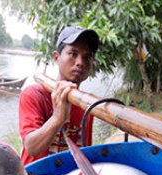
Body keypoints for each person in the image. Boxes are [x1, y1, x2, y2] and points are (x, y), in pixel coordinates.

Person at [18, 26, 100, 165]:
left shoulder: (87, 104)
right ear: (56, 57)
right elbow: (32, 147)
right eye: (73, 54)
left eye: (87, 57)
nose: (80, 62)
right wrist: (58, 118)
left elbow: (83, 150)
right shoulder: (34, 95)